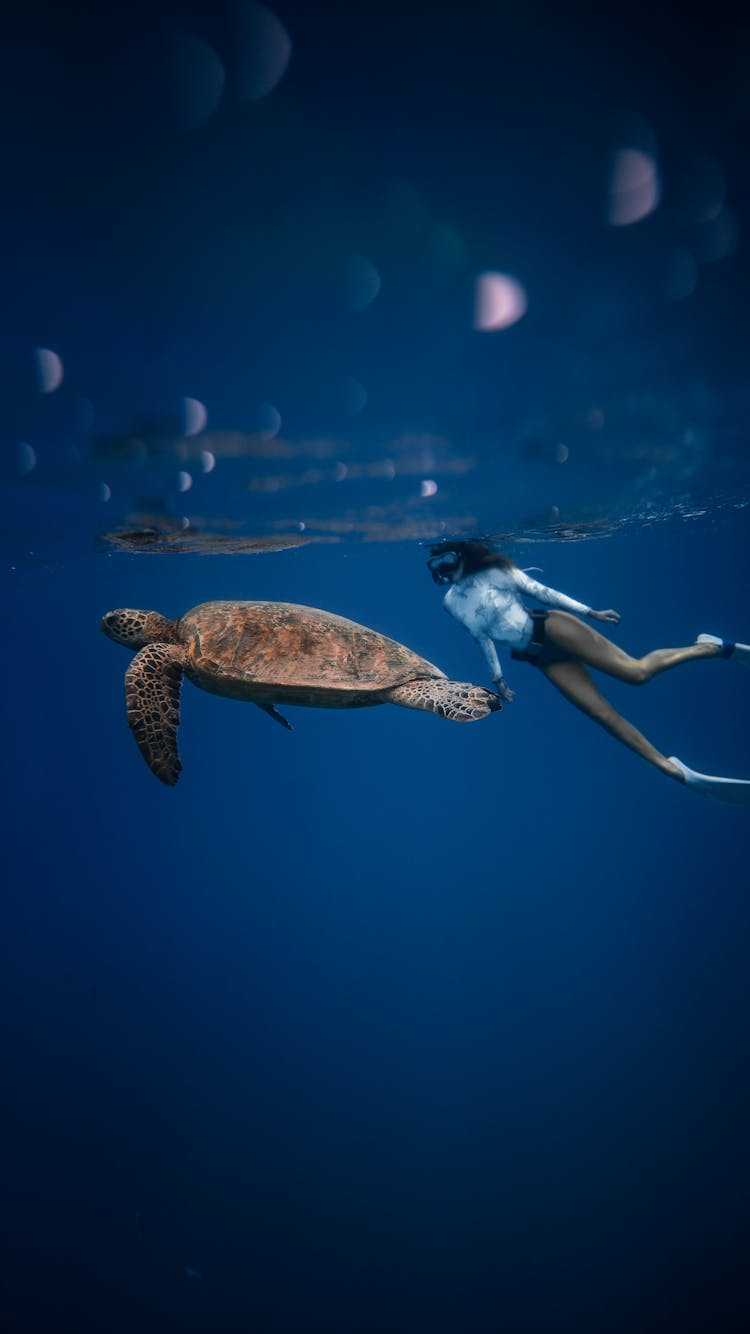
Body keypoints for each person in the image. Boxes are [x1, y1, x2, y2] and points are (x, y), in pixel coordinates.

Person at [427, 538, 750, 804]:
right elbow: (481, 638)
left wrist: (591, 612)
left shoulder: (495, 572)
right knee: (603, 715)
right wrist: (499, 680)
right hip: (538, 656)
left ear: (462, 556)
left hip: (553, 628)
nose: (443, 572)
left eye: (446, 562)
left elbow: (542, 592)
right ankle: (671, 770)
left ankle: (709, 647)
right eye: (436, 567)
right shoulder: (451, 604)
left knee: (635, 673)